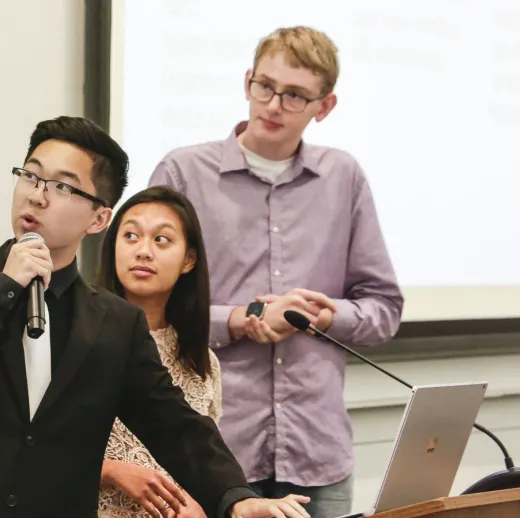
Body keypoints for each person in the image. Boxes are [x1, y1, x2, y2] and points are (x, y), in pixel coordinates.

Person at [0, 115, 311, 518]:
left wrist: (235, 498)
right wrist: (2, 291)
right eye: (31, 176)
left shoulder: (116, 323)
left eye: (62, 186)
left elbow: (175, 424)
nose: (37, 194)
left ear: (99, 218)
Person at [148, 27, 405, 518]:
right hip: (214, 450)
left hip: (317, 453)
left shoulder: (343, 178)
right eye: (264, 86)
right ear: (248, 80)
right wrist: (244, 318)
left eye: (294, 95)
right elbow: (146, 308)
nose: (272, 105)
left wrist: (326, 317)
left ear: (323, 106)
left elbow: (384, 309)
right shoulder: (184, 174)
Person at [94, 186, 221, 518]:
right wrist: (112, 471)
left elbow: (203, 464)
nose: (143, 251)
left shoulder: (202, 361)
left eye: (161, 240)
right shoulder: (75, 338)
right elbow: (33, 454)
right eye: (131, 236)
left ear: (189, 260)